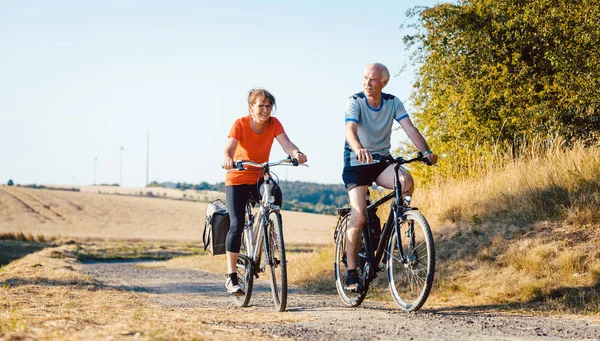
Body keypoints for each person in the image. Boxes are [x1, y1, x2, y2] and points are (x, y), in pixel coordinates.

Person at [342, 63, 438, 292]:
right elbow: (350, 130)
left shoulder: (393, 102)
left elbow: (410, 129)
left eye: (373, 80)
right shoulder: (355, 101)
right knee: (359, 215)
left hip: (382, 161)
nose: (367, 83)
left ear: (383, 83)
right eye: (365, 78)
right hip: (357, 163)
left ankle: (394, 226)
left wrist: (426, 152)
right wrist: (357, 148)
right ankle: (351, 272)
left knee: (406, 182)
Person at [221, 88, 308, 295]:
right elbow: (228, 149)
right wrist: (227, 159)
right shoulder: (240, 124)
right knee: (236, 223)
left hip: (260, 175)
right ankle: (232, 276)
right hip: (238, 177)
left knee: (275, 196)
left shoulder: (274, 123)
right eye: (261, 106)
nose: (266, 110)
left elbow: (286, 144)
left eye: (269, 106)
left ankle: (269, 229)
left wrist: (297, 153)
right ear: (251, 107)